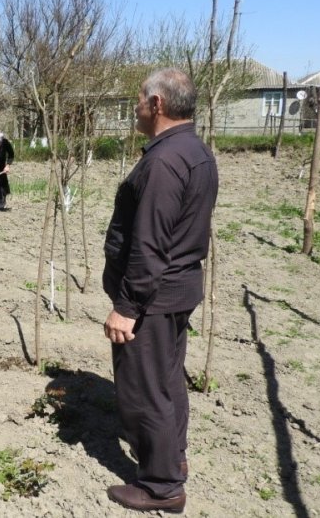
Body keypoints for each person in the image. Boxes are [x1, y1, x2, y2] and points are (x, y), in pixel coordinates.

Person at [102, 68, 218, 513]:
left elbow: (150, 242)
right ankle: (175, 458)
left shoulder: (164, 162)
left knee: (143, 389)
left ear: (157, 105)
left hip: (152, 298)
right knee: (167, 380)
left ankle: (161, 485)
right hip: (177, 290)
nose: (134, 108)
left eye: (137, 100)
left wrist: (127, 306)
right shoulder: (195, 152)